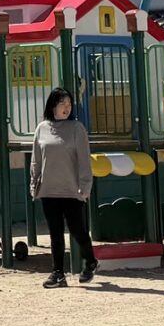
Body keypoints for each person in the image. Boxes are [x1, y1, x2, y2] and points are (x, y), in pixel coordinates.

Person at [31, 88, 94, 288]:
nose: (67, 108)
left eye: (69, 104)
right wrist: (34, 183)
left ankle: (90, 261)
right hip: (48, 189)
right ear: (53, 106)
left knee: (77, 230)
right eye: (62, 104)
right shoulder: (41, 128)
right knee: (55, 233)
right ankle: (58, 273)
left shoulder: (77, 128)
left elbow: (84, 160)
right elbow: (36, 160)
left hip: (72, 190)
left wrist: (85, 185)